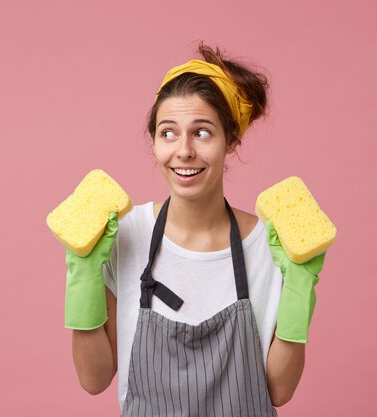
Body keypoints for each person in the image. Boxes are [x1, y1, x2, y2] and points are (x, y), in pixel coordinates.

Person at [63, 44, 327, 416]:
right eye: (168, 133)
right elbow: (94, 379)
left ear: (230, 141)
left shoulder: (270, 247)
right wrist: (83, 272)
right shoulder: (124, 235)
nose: (183, 151)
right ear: (154, 141)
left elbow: (279, 391)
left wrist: (300, 287)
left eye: (202, 133)